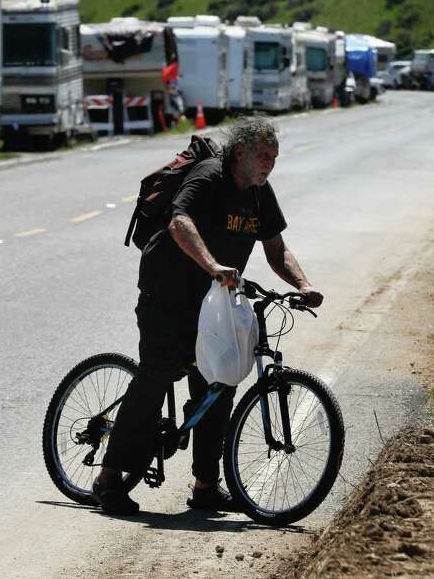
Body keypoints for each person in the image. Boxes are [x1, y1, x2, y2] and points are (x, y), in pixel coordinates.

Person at [93, 117, 322, 515]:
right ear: (240, 153)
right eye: (263, 155)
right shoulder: (208, 176)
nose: (270, 163)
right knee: (158, 373)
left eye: (274, 157)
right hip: (167, 292)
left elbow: (275, 248)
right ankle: (109, 478)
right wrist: (214, 264)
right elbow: (180, 222)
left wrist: (303, 286)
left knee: (218, 384)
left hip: (213, 303)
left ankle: (205, 487)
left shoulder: (259, 193)